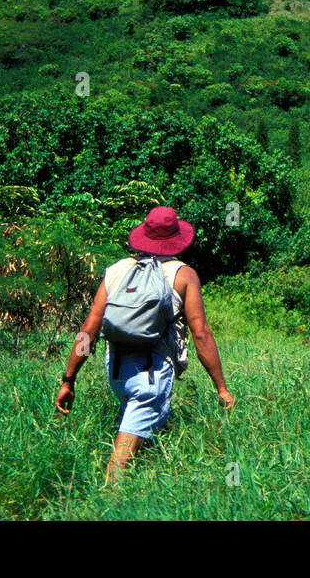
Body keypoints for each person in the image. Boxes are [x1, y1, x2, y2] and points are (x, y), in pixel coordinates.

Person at [55, 205, 235, 483]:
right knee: (122, 459)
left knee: (146, 432)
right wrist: (221, 388)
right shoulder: (184, 275)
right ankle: (106, 501)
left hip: (115, 370)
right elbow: (201, 335)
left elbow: (87, 331)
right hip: (151, 372)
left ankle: (143, 486)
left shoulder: (117, 270)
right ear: (177, 239)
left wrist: (69, 380)